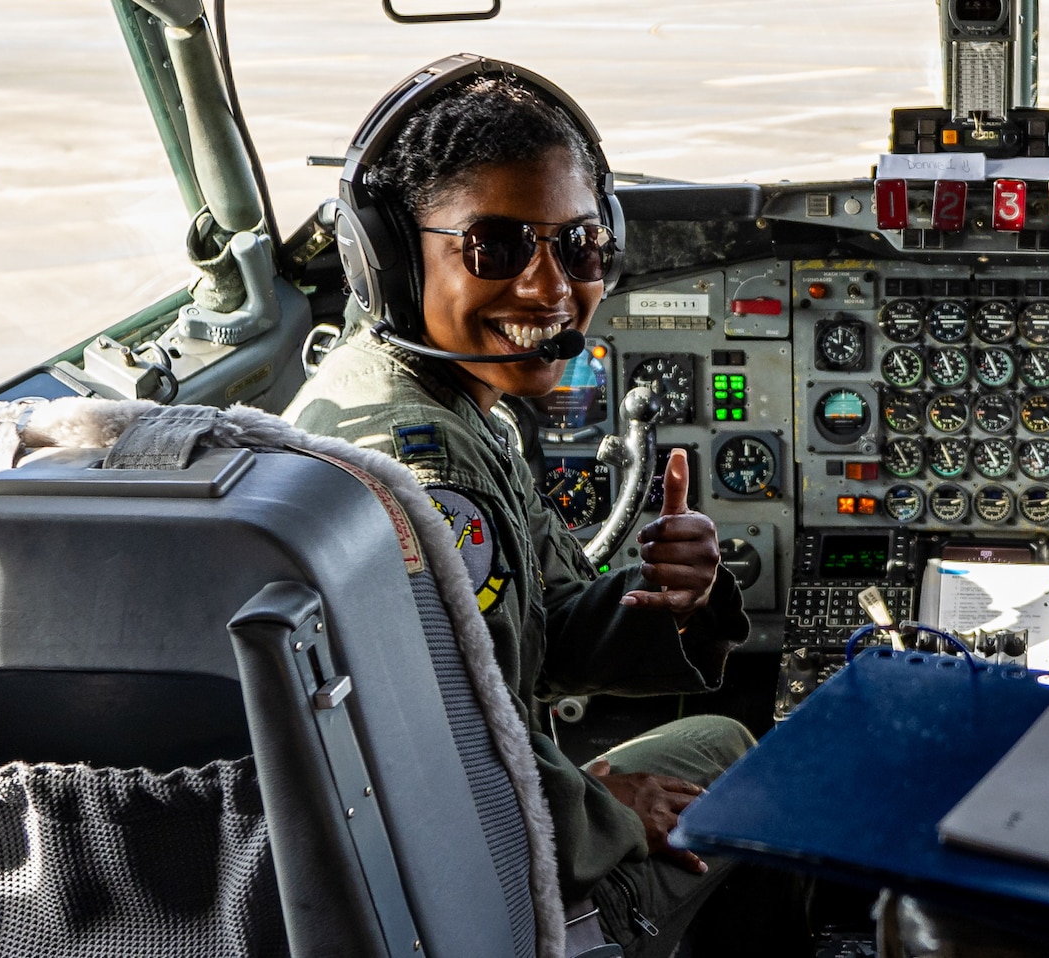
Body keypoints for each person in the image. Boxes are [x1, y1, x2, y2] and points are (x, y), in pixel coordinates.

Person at [286, 59, 753, 955]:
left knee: (712, 737)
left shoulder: (442, 402)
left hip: (454, 840)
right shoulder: (422, 468)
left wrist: (664, 598)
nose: (549, 290)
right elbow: (443, 750)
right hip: (492, 892)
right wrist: (602, 809)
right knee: (737, 762)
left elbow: (524, 637)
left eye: (578, 248)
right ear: (386, 253)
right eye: (494, 249)